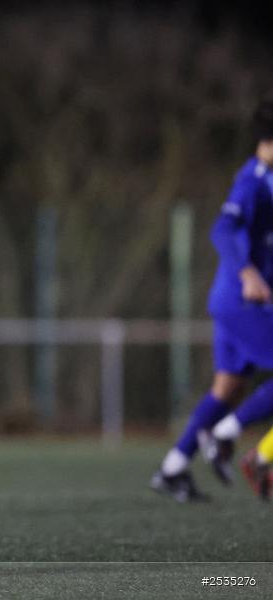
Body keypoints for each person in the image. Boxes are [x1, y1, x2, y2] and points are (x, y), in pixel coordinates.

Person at [150, 99, 273, 502]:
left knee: (227, 388)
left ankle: (172, 469)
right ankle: (223, 435)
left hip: (230, 300)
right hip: (242, 300)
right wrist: (248, 272)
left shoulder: (265, 178)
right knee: (230, 395)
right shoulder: (253, 182)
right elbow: (222, 228)